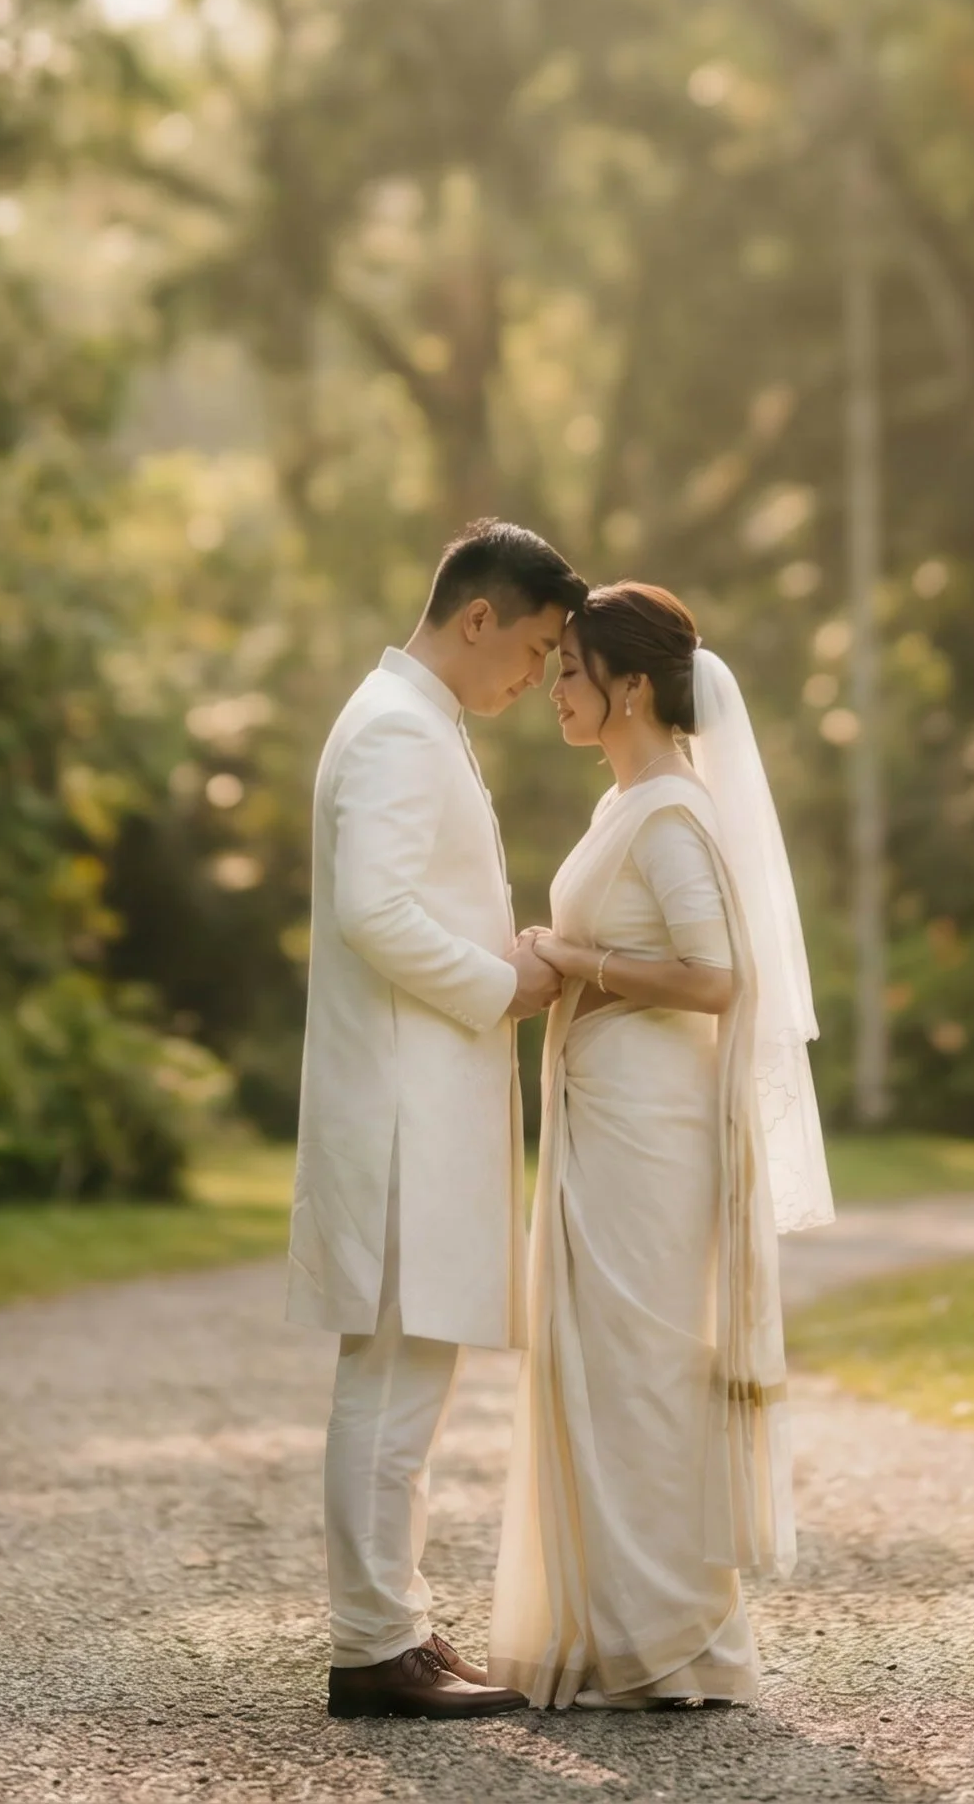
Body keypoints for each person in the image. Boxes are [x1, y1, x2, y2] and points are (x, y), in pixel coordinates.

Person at [489, 581, 833, 1711]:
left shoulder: (673, 811)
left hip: (651, 1125)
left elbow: (717, 974)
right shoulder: (624, 803)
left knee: (640, 1368)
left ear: (632, 685)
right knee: (596, 1361)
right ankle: (603, 1630)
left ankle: (671, 1637)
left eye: (573, 670)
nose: (554, 688)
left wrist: (575, 962)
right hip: (606, 1111)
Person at [289, 515, 587, 1720]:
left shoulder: (413, 719)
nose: (539, 674)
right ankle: (372, 1646)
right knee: (394, 1374)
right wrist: (501, 981)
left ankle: (393, 1622)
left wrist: (492, 960)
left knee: (408, 1371)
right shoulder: (401, 730)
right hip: (405, 1107)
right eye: (537, 647)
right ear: (480, 617)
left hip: (418, 1096)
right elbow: (375, 910)